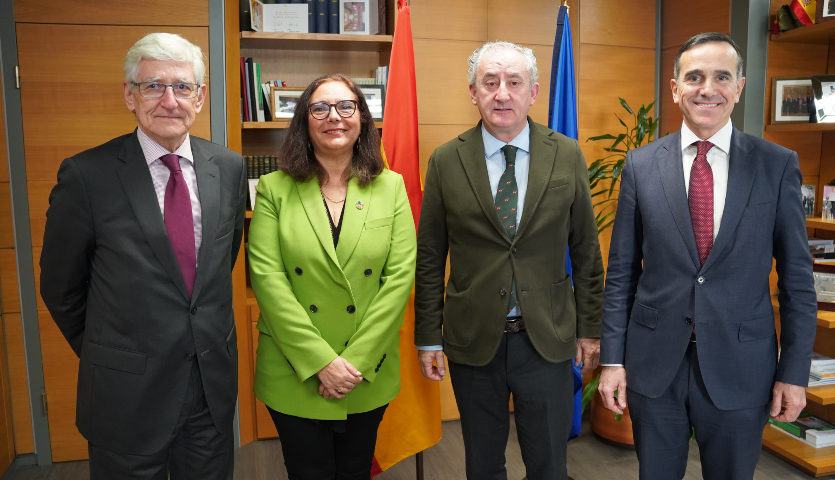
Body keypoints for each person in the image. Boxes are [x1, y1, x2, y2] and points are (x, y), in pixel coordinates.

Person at [598, 32, 817, 480]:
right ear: (675, 88)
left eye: (721, 77)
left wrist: (794, 373)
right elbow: (622, 274)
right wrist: (613, 361)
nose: (707, 88)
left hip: (742, 368)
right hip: (654, 368)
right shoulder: (640, 166)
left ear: (739, 86)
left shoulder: (776, 165)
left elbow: (797, 281)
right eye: (694, 77)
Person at [39, 33, 247, 479]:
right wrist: (110, 352)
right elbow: (61, 287)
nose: (169, 100)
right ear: (129, 96)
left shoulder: (228, 167)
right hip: (125, 394)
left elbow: (219, 262)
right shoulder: (87, 175)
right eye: (153, 85)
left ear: (201, 96)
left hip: (208, 391)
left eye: (182, 86)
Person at [414, 41, 604, 480]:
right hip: (472, 339)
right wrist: (429, 336)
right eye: (490, 82)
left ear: (533, 92)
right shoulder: (445, 160)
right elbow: (429, 257)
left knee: (549, 462)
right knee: (482, 463)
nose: (502, 93)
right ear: (473, 91)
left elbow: (586, 251)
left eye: (514, 82)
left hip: (547, 338)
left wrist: (590, 330)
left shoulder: (567, 154)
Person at [248, 73, 416, 480]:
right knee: (307, 472)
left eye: (346, 106)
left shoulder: (391, 187)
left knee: (356, 470)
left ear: (361, 118)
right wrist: (322, 362)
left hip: (366, 369)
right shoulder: (274, 188)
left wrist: (351, 363)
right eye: (319, 108)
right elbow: (268, 278)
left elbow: (399, 278)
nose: (333, 117)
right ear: (304, 121)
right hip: (294, 369)